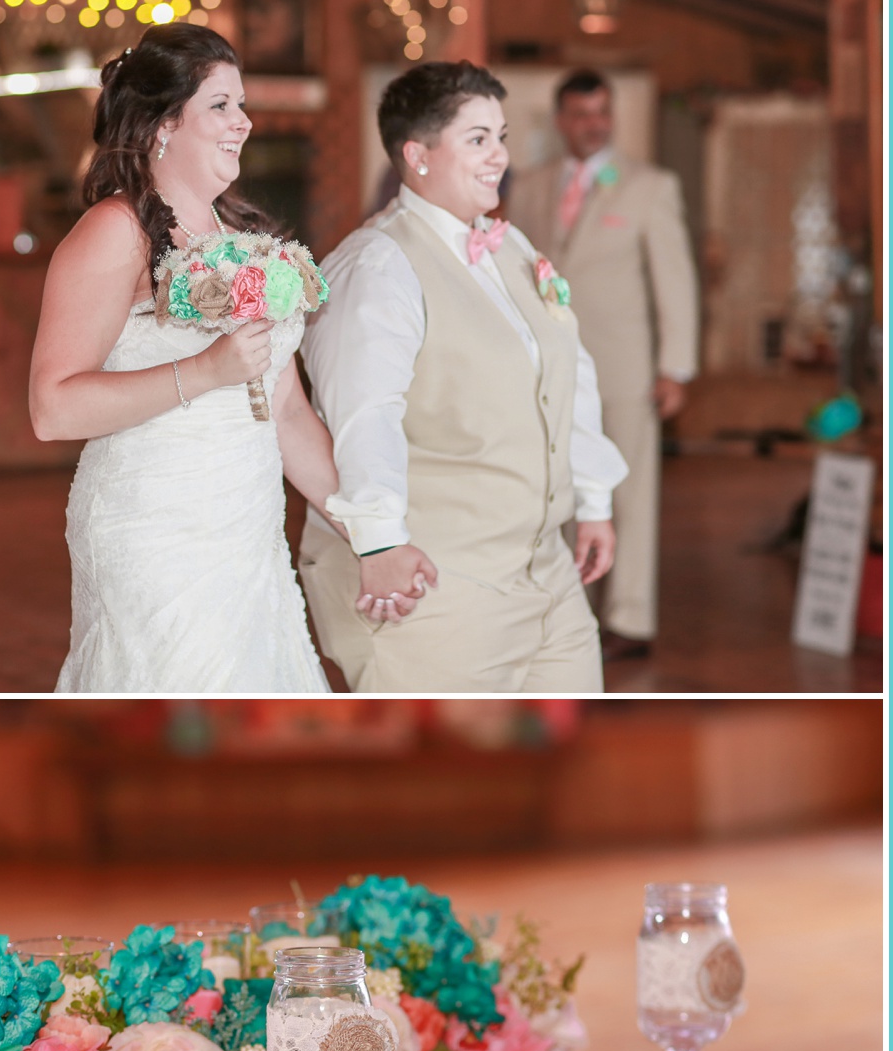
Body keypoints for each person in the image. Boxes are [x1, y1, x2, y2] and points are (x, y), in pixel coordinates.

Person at [299, 61, 627, 694]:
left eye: (500, 137)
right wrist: (379, 545)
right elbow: (364, 415)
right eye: (477, 139)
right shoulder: (377, 267)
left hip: (546, 574)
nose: (499, 156)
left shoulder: (513, 249)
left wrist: (593, 501)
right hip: (435, 579)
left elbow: (568, 375)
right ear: (417, 155)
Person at [31, 24, 335, 693]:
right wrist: (203, 372)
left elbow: (286, 410)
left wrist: (373, 528)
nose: (244, 123)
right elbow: (52, 408)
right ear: (163, 125)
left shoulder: (246, 239)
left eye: (242, 105)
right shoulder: (114, 233)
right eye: (221, 106)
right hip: (152, 525)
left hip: (248, 529)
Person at [510, 69, 699, 662]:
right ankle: (573, 608)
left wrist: (676, 367)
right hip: (551, 368)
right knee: (558, 487)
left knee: (630, 492)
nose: (593, 124)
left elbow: (675, 282)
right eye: (581, 114)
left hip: (626, 370)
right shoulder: (530, 187)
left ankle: (631, 618)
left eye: (602, 113)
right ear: (562, 119)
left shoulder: (649, 186)